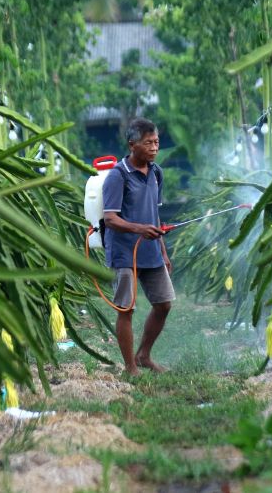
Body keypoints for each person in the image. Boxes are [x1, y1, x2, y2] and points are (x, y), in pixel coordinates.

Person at [102, 118, 175, 376]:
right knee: (126, 310)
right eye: (148, 143)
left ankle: (143, 355)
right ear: (132, 145)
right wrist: (139, 229)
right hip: (124, 254)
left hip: (151, 252)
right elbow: (110, 218)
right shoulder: (117, 176)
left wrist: (163, 252)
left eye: (156, 142)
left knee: (164, 303)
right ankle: (130, 367)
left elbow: (155, 216)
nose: (154, 148)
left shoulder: (156, 173)